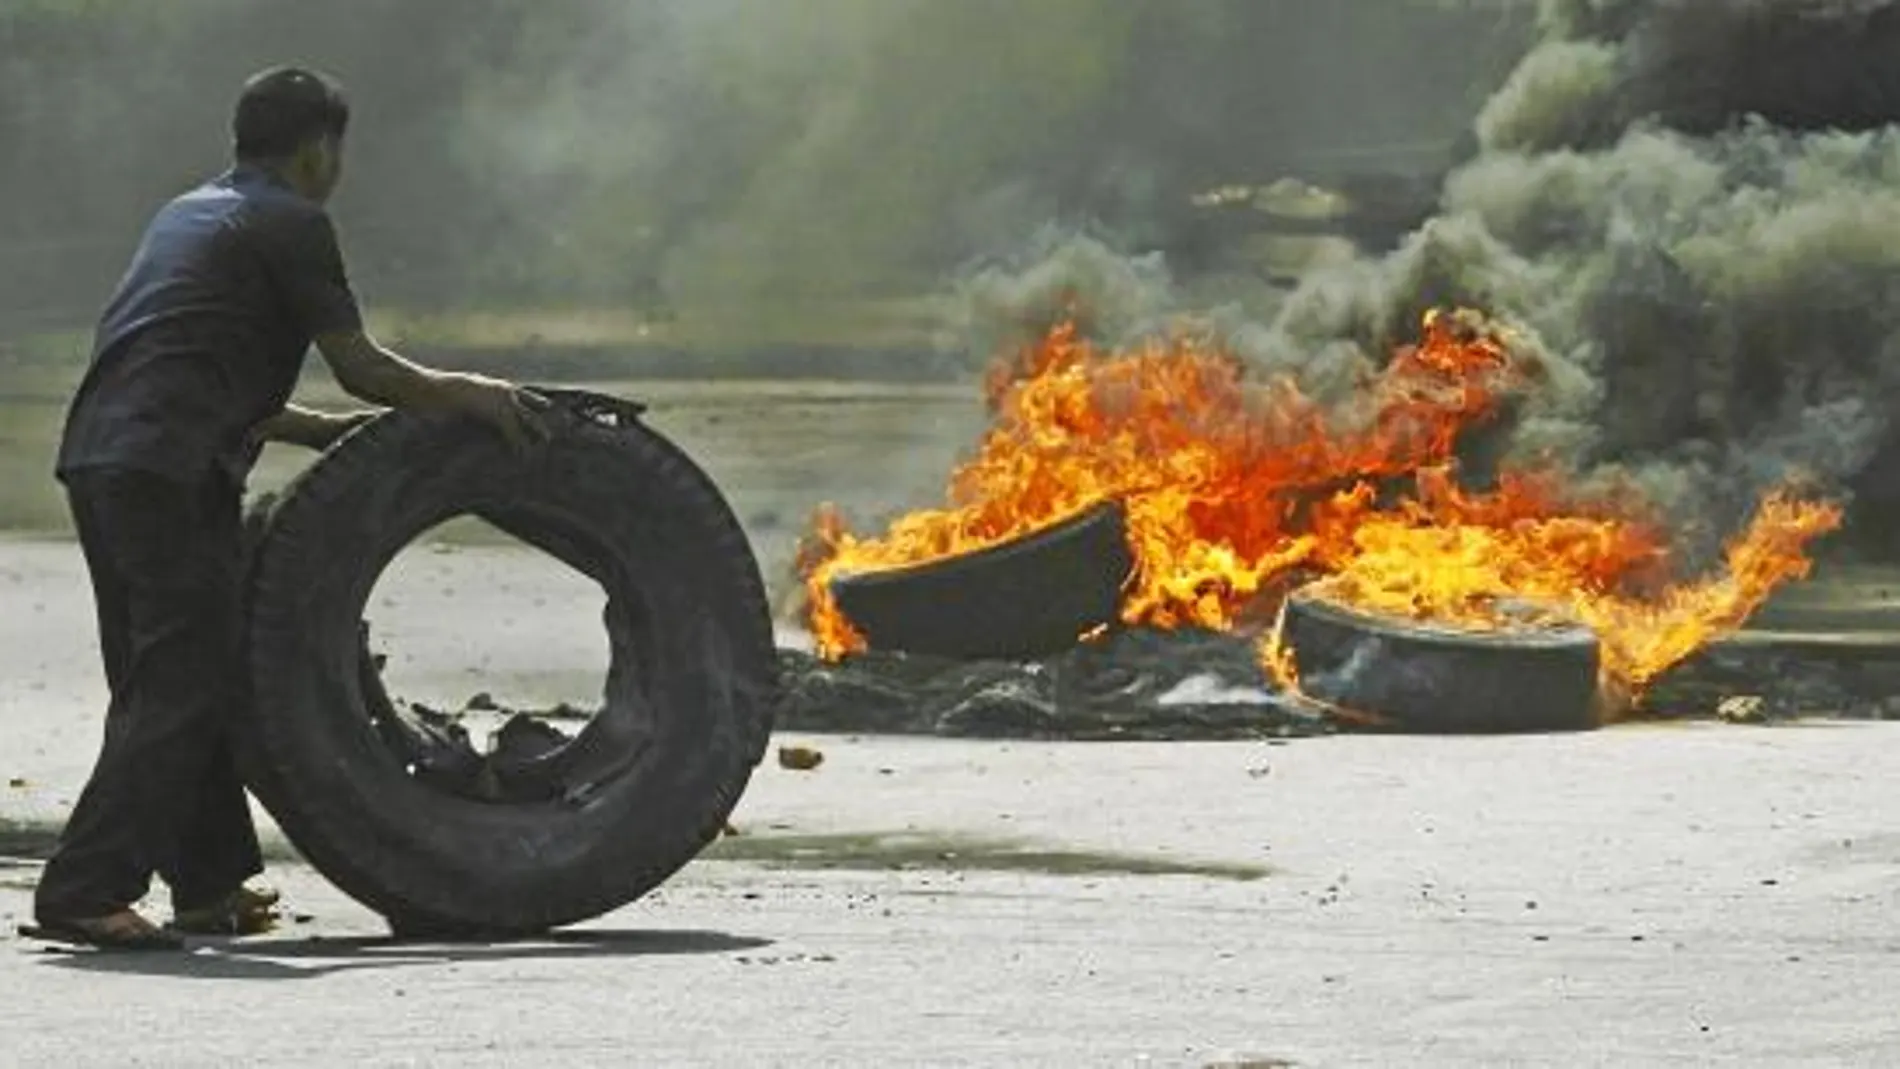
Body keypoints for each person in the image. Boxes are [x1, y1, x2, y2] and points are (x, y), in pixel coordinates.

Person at [22, 66, 547, 950]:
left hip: (106, 458)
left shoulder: (187, 211)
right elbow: (364, 366)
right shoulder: (294, 221)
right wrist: (471, 391)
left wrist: (315, 431)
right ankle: (84, 888)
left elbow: (193, 359)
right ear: (318, 150)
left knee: (174, 674)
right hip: (168, 466)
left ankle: (209, 883)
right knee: (182, 676)